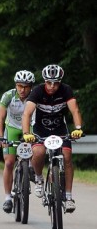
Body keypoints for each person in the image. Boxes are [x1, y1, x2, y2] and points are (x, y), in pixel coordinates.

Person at [22, 64, 83, 213]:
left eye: (56, 83)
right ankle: (38, 178)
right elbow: (27, 114)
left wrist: (78, 128)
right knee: (38, 153)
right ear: (44, 80)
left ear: (60, 81)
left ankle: (68, 197)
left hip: (60, 130)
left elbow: (74, 110)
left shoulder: (66, 90)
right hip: (40, 130)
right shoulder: (37, 91)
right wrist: (26, 133)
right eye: (49, 82)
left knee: (67, 156)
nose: (52, 86)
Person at [0, 70, 35, 213]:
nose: (22, 90)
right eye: (19, 86)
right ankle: (7, 198)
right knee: (9, 162)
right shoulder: (8, 96)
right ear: (15, 85)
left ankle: (30, 166)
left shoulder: (35, 96)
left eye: (26, 86)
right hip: (11, 128)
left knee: (36, 150)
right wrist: (0, 136)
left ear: (31, 87)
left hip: (30, 127)